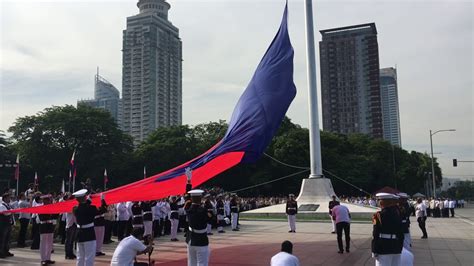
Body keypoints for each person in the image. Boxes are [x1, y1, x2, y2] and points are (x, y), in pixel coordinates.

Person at [73, 189, 107, 266]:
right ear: (85, 197)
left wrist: (88, 201)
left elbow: (83, 207)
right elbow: (103, 209)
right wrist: (102, 199)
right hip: (89, 233)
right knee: (89, 256)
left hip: (79, 233)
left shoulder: (75, 208)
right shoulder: (91, 208)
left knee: (80, 256)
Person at [371, 193, 404, 266]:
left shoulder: (379, 215)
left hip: (383, 247)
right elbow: (401, 232)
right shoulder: (397, 213)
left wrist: (374, 249)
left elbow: (375, 234)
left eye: (379, 200)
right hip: (396, 246)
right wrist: (400, 246)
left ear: (382, 202)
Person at [186, 189, 211, 266]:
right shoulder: (203, 210)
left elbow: (188, 201)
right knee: (202, 262)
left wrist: (188, 181)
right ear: (200, 198)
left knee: (191, 262)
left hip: (190, 238)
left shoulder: (188, 208)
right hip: (201, 239)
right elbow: (210, 219)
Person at [38, 195, 57, 265]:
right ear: (44, 201)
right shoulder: (40, 207)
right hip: (43, 225)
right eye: (47, 200)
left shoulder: (51, 207)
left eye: (49, 200)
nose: (48, 201)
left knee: (49, 243)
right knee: (43, 243)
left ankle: (48, 258)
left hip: (50, 225)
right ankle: (43, 259)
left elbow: (55, 216)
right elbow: (42, 217)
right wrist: (50, 214)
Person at [0, 193, 14, 258]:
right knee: (2, 238)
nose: (10, 199)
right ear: (5, 198)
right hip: (3, 224)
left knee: (7, 239)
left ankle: (6, 251)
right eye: (9, 198)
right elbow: (6, 213)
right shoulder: (1, 205)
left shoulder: (8, 205)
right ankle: (1, 252)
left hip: (8, 223)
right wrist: (11, 211)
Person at [65, 194, 77, 260]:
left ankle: (71, 253)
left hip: (74, 223)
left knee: (72, 240)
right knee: (68, 240)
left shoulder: (75, 206)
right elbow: (71, 212)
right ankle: (67, 254)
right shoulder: (68, 205)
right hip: (69, 224)